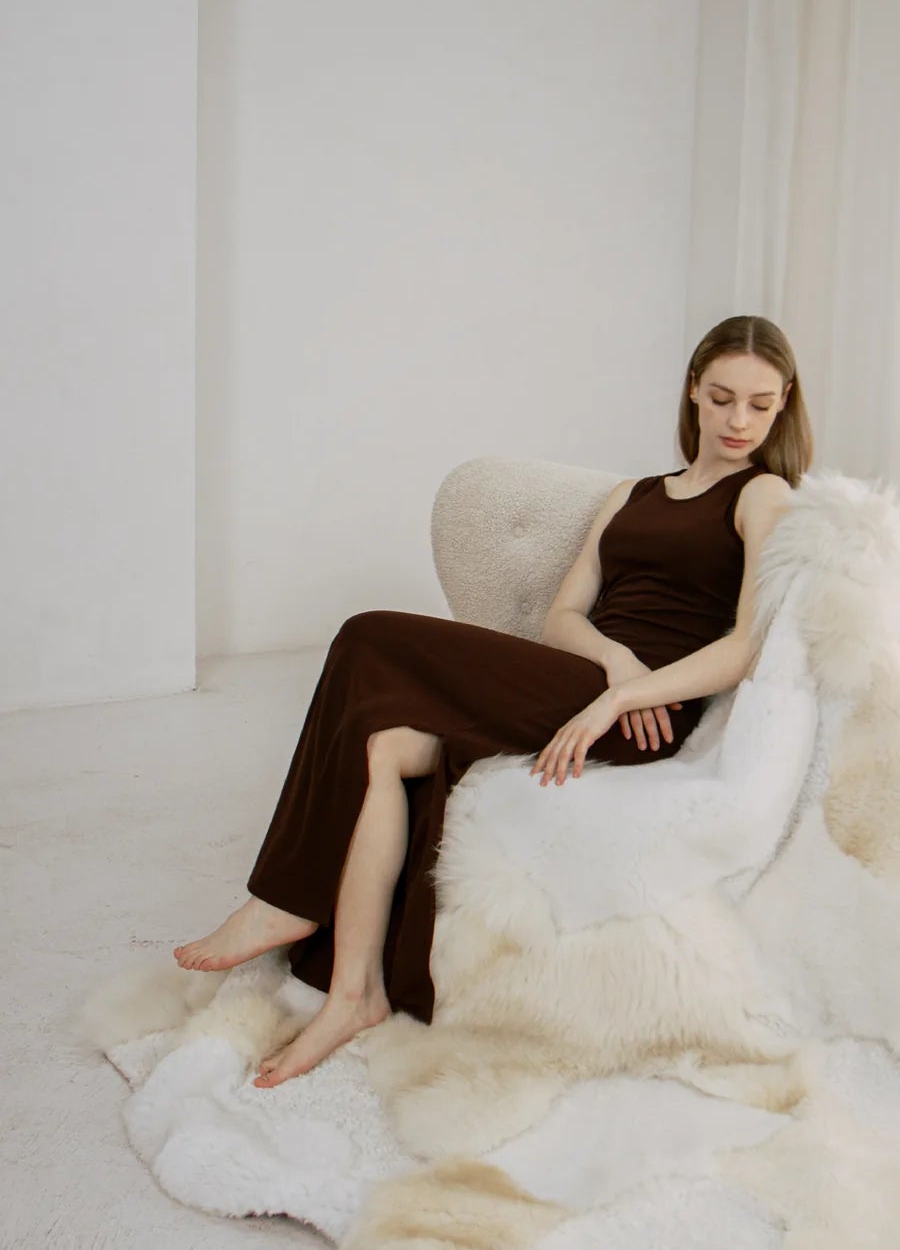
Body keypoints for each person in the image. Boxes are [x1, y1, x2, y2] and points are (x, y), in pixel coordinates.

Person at [172, 314, 814, 1088]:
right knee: (383, 746)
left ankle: (287, 895)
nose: (739, 421)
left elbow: (745, 645)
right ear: (692, 393)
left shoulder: (763, 495)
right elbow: (563, 617)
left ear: (783, 405)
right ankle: (357, 993)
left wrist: (626, 695)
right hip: (588, 682)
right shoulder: (631, 495)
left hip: (636, 717)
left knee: (366, 635)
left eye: (758, 404)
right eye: (721, 399)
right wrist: (614, 662)